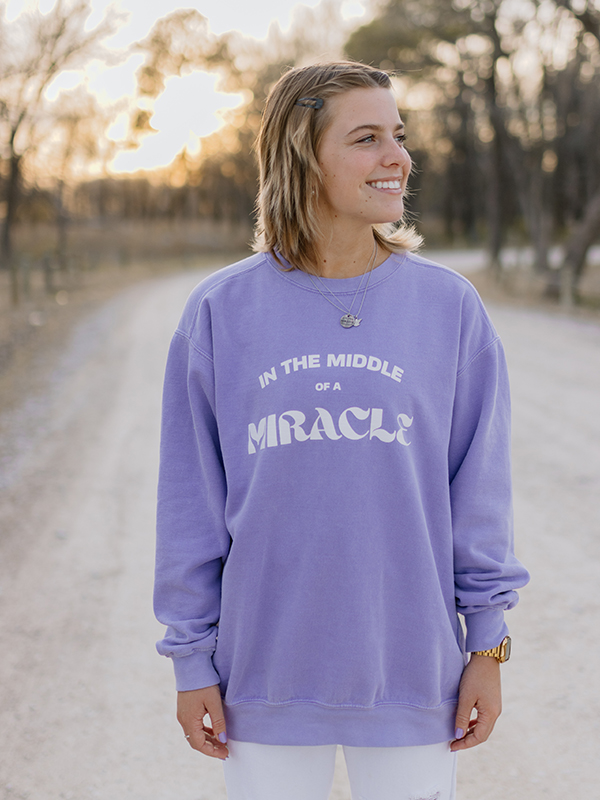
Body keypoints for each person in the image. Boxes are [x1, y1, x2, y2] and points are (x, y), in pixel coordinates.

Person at [154, 61, 529, 800]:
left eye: (398, 134)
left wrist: (487, 643)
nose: (398, 157)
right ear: (302, 156)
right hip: (261, 680)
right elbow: (190, 507)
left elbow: (479, 494)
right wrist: (191, 661)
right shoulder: (220, 312)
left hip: (413, 675)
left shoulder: (448, 308)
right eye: (367, 138)